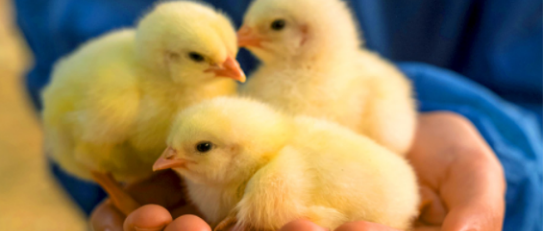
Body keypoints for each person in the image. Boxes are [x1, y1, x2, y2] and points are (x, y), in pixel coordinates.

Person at [14, 0, 541, 230]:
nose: (239, 54)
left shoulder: (360, 92)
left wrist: (502, 148)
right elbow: (76, 114)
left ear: (307, 35)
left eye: (262, 29)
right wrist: (116, 189)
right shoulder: (141, 87)